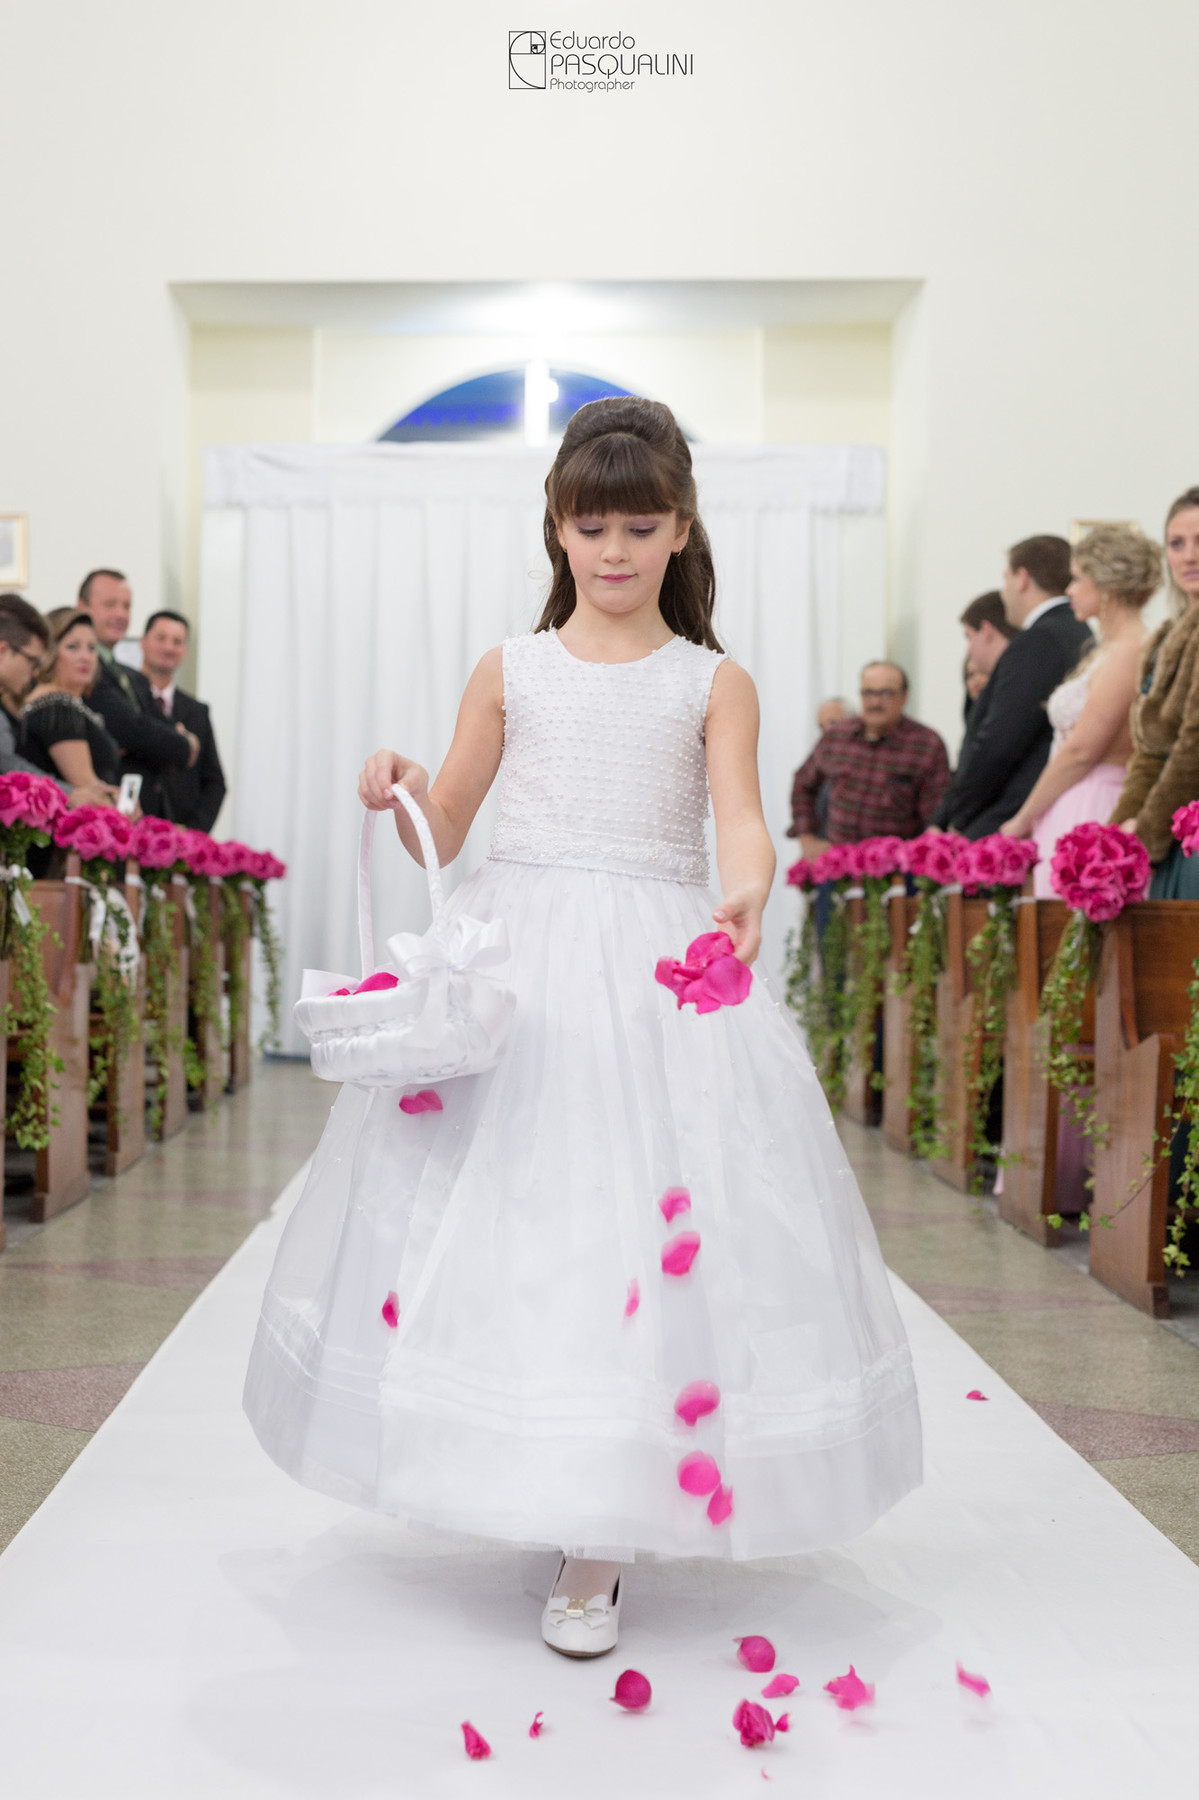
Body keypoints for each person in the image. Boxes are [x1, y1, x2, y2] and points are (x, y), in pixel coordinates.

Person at [243, 396, 921, 1659]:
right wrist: (395, 787)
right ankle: (532, 1466)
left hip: (656, 967)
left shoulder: (713, 680)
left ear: (679, 531)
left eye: (639, 525)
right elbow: (447, 826)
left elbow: (735, 814)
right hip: (520, 959)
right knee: (522, 1223)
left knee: (632, 1219)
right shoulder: (510, 666)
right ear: (555, 528)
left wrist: (747, 881)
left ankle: (599, 1535)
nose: (612, 551)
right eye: (589, 525)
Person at [1000, 525, 1159, 895]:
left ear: (1106, 586)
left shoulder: (1129, 650)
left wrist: (1023, 818)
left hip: (1094, 801)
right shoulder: (1108, 647)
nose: (1069, 589)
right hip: (1070, 798)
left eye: (1077, 579)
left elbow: (1082, 750)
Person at [932, 537, 1093, 839]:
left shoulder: (1040, 640)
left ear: (1021, 578)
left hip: (1010, 813)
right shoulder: (1078, 629)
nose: (1004, 593)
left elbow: (1001, 740)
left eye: (1005, 579)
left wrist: (958, 817)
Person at [1112, 487, 1199, 897]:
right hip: (1169, 825)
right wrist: (1117, 838)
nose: (1189, 556)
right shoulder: (1166, 634)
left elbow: (1193, 746)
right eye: (1177, 543)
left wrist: (1145, 833)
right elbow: (1148, 750)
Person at [787, 661, 950, 859]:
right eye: (868, 693)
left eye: (886, 693)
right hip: (837, 868)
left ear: (904, 696)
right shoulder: (838, 736)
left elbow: (936, 818)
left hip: (893, 877)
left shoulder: (926, 745)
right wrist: (807, 840)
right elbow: (803, 784)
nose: (875, 702)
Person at [77, 569, 198, 817]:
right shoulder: (86, 670)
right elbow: (134, 730)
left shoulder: (131, 676)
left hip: (142, 812)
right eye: (110, 604)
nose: (121, 614)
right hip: (102, 811)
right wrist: (185, 744)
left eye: (127, 606)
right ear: (83, 607)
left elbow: (159, 726)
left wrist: (172, 741)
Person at [131, 609, 226, 831]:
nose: (168, 648)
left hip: (179, 835)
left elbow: (215, 781)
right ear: (143, 642)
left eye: (177, 642)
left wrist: (194, 832)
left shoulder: (197, 711)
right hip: (130, 829)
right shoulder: (125, 699)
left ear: (185, 650)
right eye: (161, 638)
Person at [20, 608, 123, 796]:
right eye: (73, 647)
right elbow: (88, 792)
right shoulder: (58, 707)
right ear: (49, 652)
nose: (85, 657)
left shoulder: (63, 705)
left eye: (92, 648)